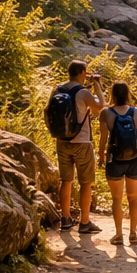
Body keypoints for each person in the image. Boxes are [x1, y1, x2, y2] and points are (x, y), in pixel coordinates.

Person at [44, 60, 105, 233]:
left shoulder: (58, 89)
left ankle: (66, 219)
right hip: (82, 142)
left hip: (62, 140)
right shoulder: (82, 92)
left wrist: (54, 131)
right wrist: (97, 84)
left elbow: (46, 112)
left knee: (66, 181)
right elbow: (101, 106)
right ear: (83, 72)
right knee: (85, 182)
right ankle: (84, 222)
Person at [97, 81, 137, 246]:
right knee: (133, 198)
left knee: (117, 199)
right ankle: (133, 234)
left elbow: (103, 139)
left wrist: (100, 156)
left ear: (113, 94)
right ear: (128, 93)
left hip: (114, 160)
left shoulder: (106, 113)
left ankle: (119, 235)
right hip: (134, 159)